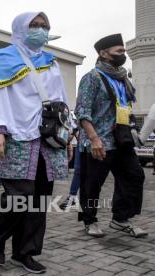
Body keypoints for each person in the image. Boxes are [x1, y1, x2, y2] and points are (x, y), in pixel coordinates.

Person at [0, 12, 71, 274]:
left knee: (40, 198)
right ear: (20, 28)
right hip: (14, 135)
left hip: (48, 138)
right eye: (35, 25)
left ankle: (24, 252)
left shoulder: (51, 62)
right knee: (21, 195)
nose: (40, 30)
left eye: (45, 26)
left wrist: (67, 134)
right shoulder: (2, 57)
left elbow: (61, 100)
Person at [75, 33, 146, 238]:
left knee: (134, 176)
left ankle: (120, 218)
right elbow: (82, 111)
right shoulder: (92, 78)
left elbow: (125, 107)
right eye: (119, 51)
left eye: (123, 51)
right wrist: (94, 139)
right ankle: (89, 220)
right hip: (100, 141)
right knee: (92, 184)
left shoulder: (122, 78)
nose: (123, 55)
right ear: (103, 54)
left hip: (122, 140)